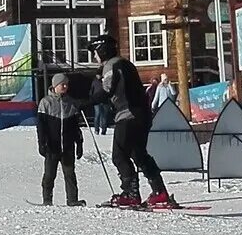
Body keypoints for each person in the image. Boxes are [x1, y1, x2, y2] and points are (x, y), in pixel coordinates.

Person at [92, 34, 177, 210]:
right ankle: (159, 191)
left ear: (102, 50)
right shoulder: (125, 63)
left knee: (119, 155)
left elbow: (107, 91)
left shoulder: (112, 65)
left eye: (95, 52)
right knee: (139, 154)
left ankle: (130, 194)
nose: (94, 57)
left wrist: (82, 102)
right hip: (142, 115)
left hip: (128, 115)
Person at [34, 73, 86, 206]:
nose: (65, 86)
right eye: (62, 84)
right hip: (52, 146)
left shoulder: (71, 103)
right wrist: (42, 143)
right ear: (55, 85)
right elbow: (41, 126)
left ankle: (72, 199)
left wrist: (79, 143)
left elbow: (76, 126)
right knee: (50, 174)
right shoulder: (46, 102)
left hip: (67, 146)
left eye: (66, 84)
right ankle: (47, 199)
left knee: (70, 174)